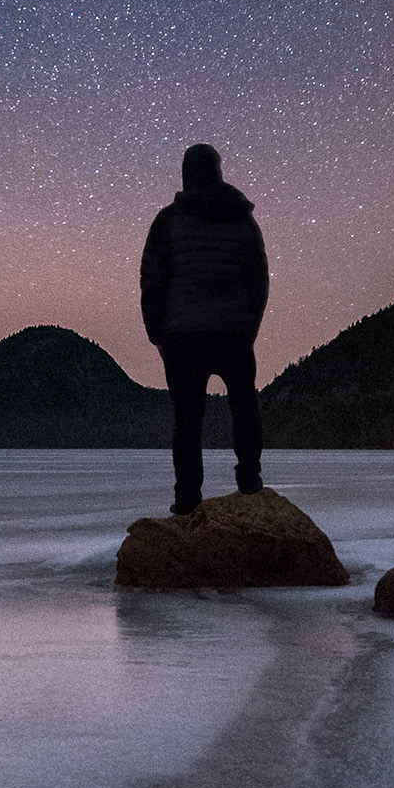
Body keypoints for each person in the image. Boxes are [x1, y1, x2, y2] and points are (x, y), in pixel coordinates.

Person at [139, 142, 269, 515]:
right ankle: (249, 481)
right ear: (217, 171)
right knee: (244, 407)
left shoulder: (168, 221)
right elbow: (258, 280)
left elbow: (152, 280)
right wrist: (248, 328)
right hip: (233, 332)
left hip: (183, 337)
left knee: (187, 420)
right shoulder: (243, 220)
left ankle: (187, 501)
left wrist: (157, 333)